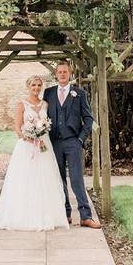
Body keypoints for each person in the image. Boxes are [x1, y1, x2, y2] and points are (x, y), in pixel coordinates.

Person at [0, 75, 69, 231]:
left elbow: (47, 123)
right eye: (33, 85)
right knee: (26, 178)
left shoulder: (45, 104)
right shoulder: (21, 105)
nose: (36, 88)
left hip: (44, 146)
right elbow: (17, 128)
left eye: (38, 85)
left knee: (45, 177)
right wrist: (31, 139)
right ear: (28, 86)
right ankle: (24, 214)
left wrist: (41, 134)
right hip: (27, 147)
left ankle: (46, 214)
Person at [44, 59, 101, 228]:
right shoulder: (48, 93)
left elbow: (88, 119)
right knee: (58, 179)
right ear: (56, 74)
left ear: (70, 74)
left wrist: (81, 139)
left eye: (65, 72)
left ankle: (85, 216)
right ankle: (65, 213)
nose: (62, 74)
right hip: (54, 143)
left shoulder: (80, 94)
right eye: (59, 72)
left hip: (73, 142)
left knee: (77, 180)